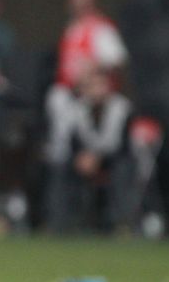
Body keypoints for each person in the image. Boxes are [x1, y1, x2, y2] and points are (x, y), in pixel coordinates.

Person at [44, 65, 137, 234]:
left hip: (112, 159)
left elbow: (124, 145)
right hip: (85, 158)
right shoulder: (78, 108)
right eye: (93, 86)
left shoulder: (121, 108)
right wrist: (81, 157)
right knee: (61, 167)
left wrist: (98, 158)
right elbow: (74, 140)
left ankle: (121, 223)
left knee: (123, 170)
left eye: (101, 85)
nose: (97, 90)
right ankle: (59, 222)